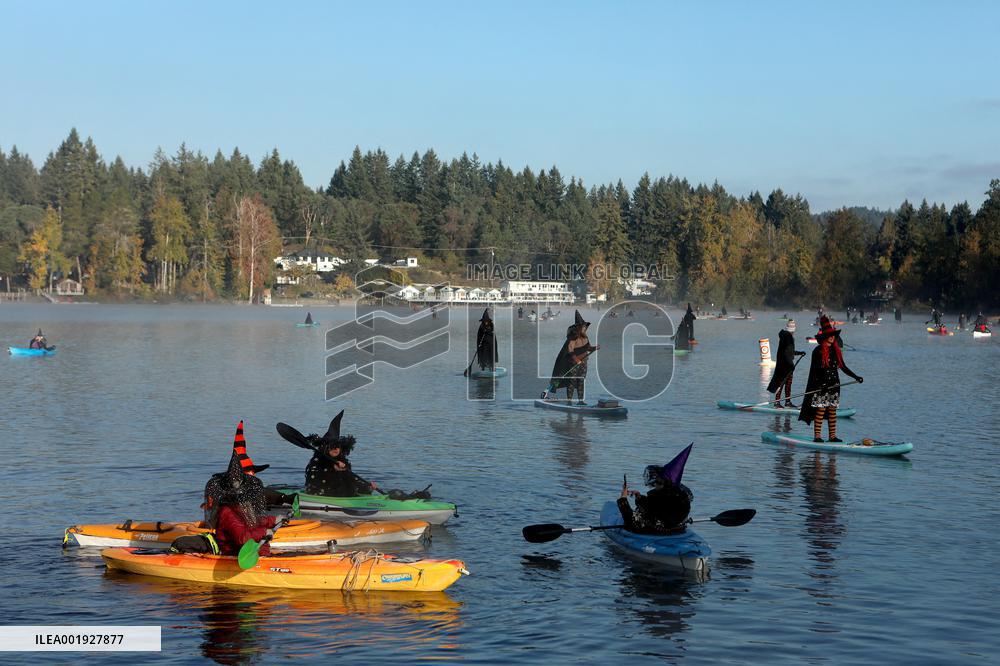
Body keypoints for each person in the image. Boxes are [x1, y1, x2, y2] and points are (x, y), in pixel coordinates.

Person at [171, 421, 279, 555]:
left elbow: (255, 520)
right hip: (234, 552)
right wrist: (264, 531)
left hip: (251, 551)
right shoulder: (227, 512)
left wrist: (274, 520)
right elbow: (242, 538)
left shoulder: (243, 506)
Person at [799, 317, 863, 442]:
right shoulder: (817, 351)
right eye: (829, 335)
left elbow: (843, 367)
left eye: (833, 335)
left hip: (834, 385)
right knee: (821, 410)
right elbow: (815, 371)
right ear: (824, 337)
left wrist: (856, 376)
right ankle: (817, 437)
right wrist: (820, 384)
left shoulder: (836, 351)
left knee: (832, 411)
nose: (832, 337)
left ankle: (832, 436)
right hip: (821, 386)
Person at [618, 444, 694, 535]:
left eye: (656, 482)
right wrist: (639, 497)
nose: (654, 485)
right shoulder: (683, 495)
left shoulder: (657, 499)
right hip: (678, 530)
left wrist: (623, 499)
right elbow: (661, 509)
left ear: (663, 483)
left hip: (657, 532)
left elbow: (631, 520)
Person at [546, 310, 599, 403]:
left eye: (585, 327)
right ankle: (569, 401)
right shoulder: (573, 337)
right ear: (579, 327)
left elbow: (588, 348)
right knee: (572, 381)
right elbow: (570, 350)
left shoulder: (585, 337)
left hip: (584, 363)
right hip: (574, 363)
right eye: (583, 327)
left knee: (581, 381)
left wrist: (594, 347)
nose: (585, 328)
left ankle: (580, 401)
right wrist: (576, 359)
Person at [767, 320, 807, 407]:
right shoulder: (788, 337)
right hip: (785, 365)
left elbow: (789, 352)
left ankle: (786, 402)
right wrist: (791, 365)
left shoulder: (785, 336)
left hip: (784, 363)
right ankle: (778, 402)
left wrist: (799, 353)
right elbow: (787, 353)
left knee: (786, 384)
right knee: (782, 384)